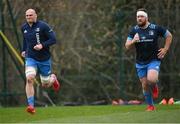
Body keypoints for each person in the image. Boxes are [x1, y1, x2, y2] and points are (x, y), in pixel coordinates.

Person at [125, 8, 172, 111]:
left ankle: (154, 86)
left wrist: (165, 49)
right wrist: (133, 41)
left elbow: (169, 35)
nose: (139, 19)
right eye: (138, 17)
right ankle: (150, 106)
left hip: (153, 60)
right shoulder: (134, 30)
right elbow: (127, 46)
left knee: (151, 79)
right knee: (145, 85)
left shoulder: (155, 28)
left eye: (141, 16)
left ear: (146, 17)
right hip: (140, 62)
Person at [21, 8, 60, 114]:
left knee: (46, 84)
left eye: (30, 15)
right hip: (31, 58)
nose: (28, 17)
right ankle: (31, 106)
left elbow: (53, 39)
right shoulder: (23, 27)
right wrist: (24, 50)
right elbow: (25, 40)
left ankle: (53, 78)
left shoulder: (43, 26)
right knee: (29, 78)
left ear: (35, 15)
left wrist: (42, 45)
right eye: (27, 15)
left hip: (44, 59)